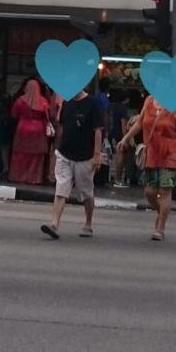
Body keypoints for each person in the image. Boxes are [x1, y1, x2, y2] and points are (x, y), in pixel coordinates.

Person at [116, 95, 176, 240]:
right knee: (149, 191)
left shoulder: (174, 104)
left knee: (165, 189)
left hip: (170, 152)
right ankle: (162, 212)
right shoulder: (149, 101)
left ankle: (160, 227)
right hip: (151, 152)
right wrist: (125, 138)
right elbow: (139, 123)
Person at [40, 84, 105, 239]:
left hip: (85, 156)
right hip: (65, 153)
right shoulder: (67, 103)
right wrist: (56, 149)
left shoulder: (92, 103)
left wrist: (96, 155)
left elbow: (97, 130)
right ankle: (54, 224)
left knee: (86, 192)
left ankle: (88, 223)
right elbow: (62, 127)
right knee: (61, 188)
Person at [9, 78, 49, 184]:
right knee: (36, 156)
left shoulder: (20, 100)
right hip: (39, 129)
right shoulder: (43, 101)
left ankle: (19, 176)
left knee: (20, 154)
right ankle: (34, 178)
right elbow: (48, 116)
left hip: (23, 128)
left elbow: (14, 114)